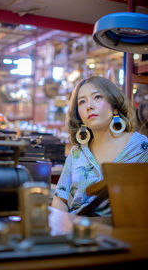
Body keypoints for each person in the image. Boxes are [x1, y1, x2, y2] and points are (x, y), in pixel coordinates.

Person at [52, 76, 148, 216]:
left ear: (115, 107)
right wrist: (60, 228)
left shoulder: (141, 147)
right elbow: (60, 199)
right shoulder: (77, 152)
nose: (89, 106)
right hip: (77, 231)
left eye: (97, 97)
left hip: (122, 233)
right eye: (82, 102)